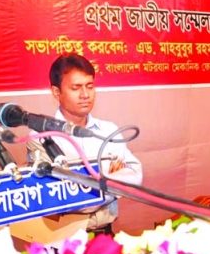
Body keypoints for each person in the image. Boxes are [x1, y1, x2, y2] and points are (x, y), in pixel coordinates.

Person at [41, 54, 142, 234]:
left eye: (90, 86)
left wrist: (84, 187)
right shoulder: (42, 137)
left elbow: (135, 175)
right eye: (76, 88)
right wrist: (108, 183)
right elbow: (53, 198)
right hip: (64, 239)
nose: (85, 95)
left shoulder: (107, 130)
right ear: (57, 92)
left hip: (105, 233)